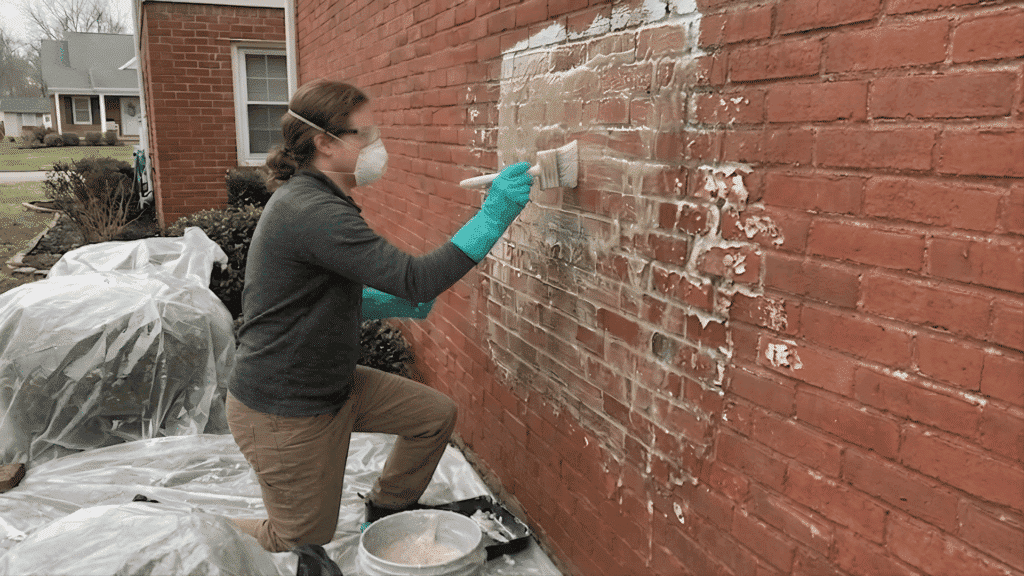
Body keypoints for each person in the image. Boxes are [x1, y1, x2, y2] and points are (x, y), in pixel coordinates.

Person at [225, 78, 533, 554]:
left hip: (330, 383)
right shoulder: (313, 210)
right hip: (284, 405)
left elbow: (297, 299)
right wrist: (494, 214)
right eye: (364, 136)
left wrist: (382, 302)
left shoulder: (316, 200)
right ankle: (189, 531)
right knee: (299, 536)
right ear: (324, 143)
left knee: (433, 416)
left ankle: (388, 508)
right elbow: (418, 279)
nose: (376, 146)